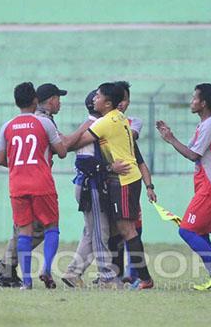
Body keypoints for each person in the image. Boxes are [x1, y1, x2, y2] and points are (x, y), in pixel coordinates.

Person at [64, 83, 155, 290]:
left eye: (99, 96)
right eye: (94, 96)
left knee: (124, 229)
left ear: (107, 103)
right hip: (124, 179)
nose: (95, 98)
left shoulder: (104, 123)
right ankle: (108, 274)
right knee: (109, 229)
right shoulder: (121, 118)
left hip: (121, 180)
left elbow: (71, 146)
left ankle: (135, 278)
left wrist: (72, 132)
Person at [156, 84, 211, 292]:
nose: (191, 101)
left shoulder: (209, 125)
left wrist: (170, 139)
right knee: (201, 233)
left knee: (186, 230)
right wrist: (170, 136)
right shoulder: (204, 125)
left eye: (194, 98)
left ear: (203, 102)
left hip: (210, 186)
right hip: (207, 186)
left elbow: (193, 155)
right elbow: (192, 152)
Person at [0, 83, 67, 288]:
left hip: (17, 184)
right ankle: (46, 270)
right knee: (51, 227)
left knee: (23, 231)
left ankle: (26, 282)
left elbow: (0, 159)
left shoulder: (7, 126)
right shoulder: (44, 123)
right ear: (35, 101)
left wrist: (19, 163)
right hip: (41, 182)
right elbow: (61, 152)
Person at [113, 81, 157, 284]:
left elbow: (134, 146)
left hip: (128, 184)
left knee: (132, 227)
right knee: (114, 232)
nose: (121, 103)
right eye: (117, 99)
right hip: (112, 183)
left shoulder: (131, 124)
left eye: (124, 99)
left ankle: (135, 273)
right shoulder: (105, 124)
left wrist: (149, 186)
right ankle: (117, 273)